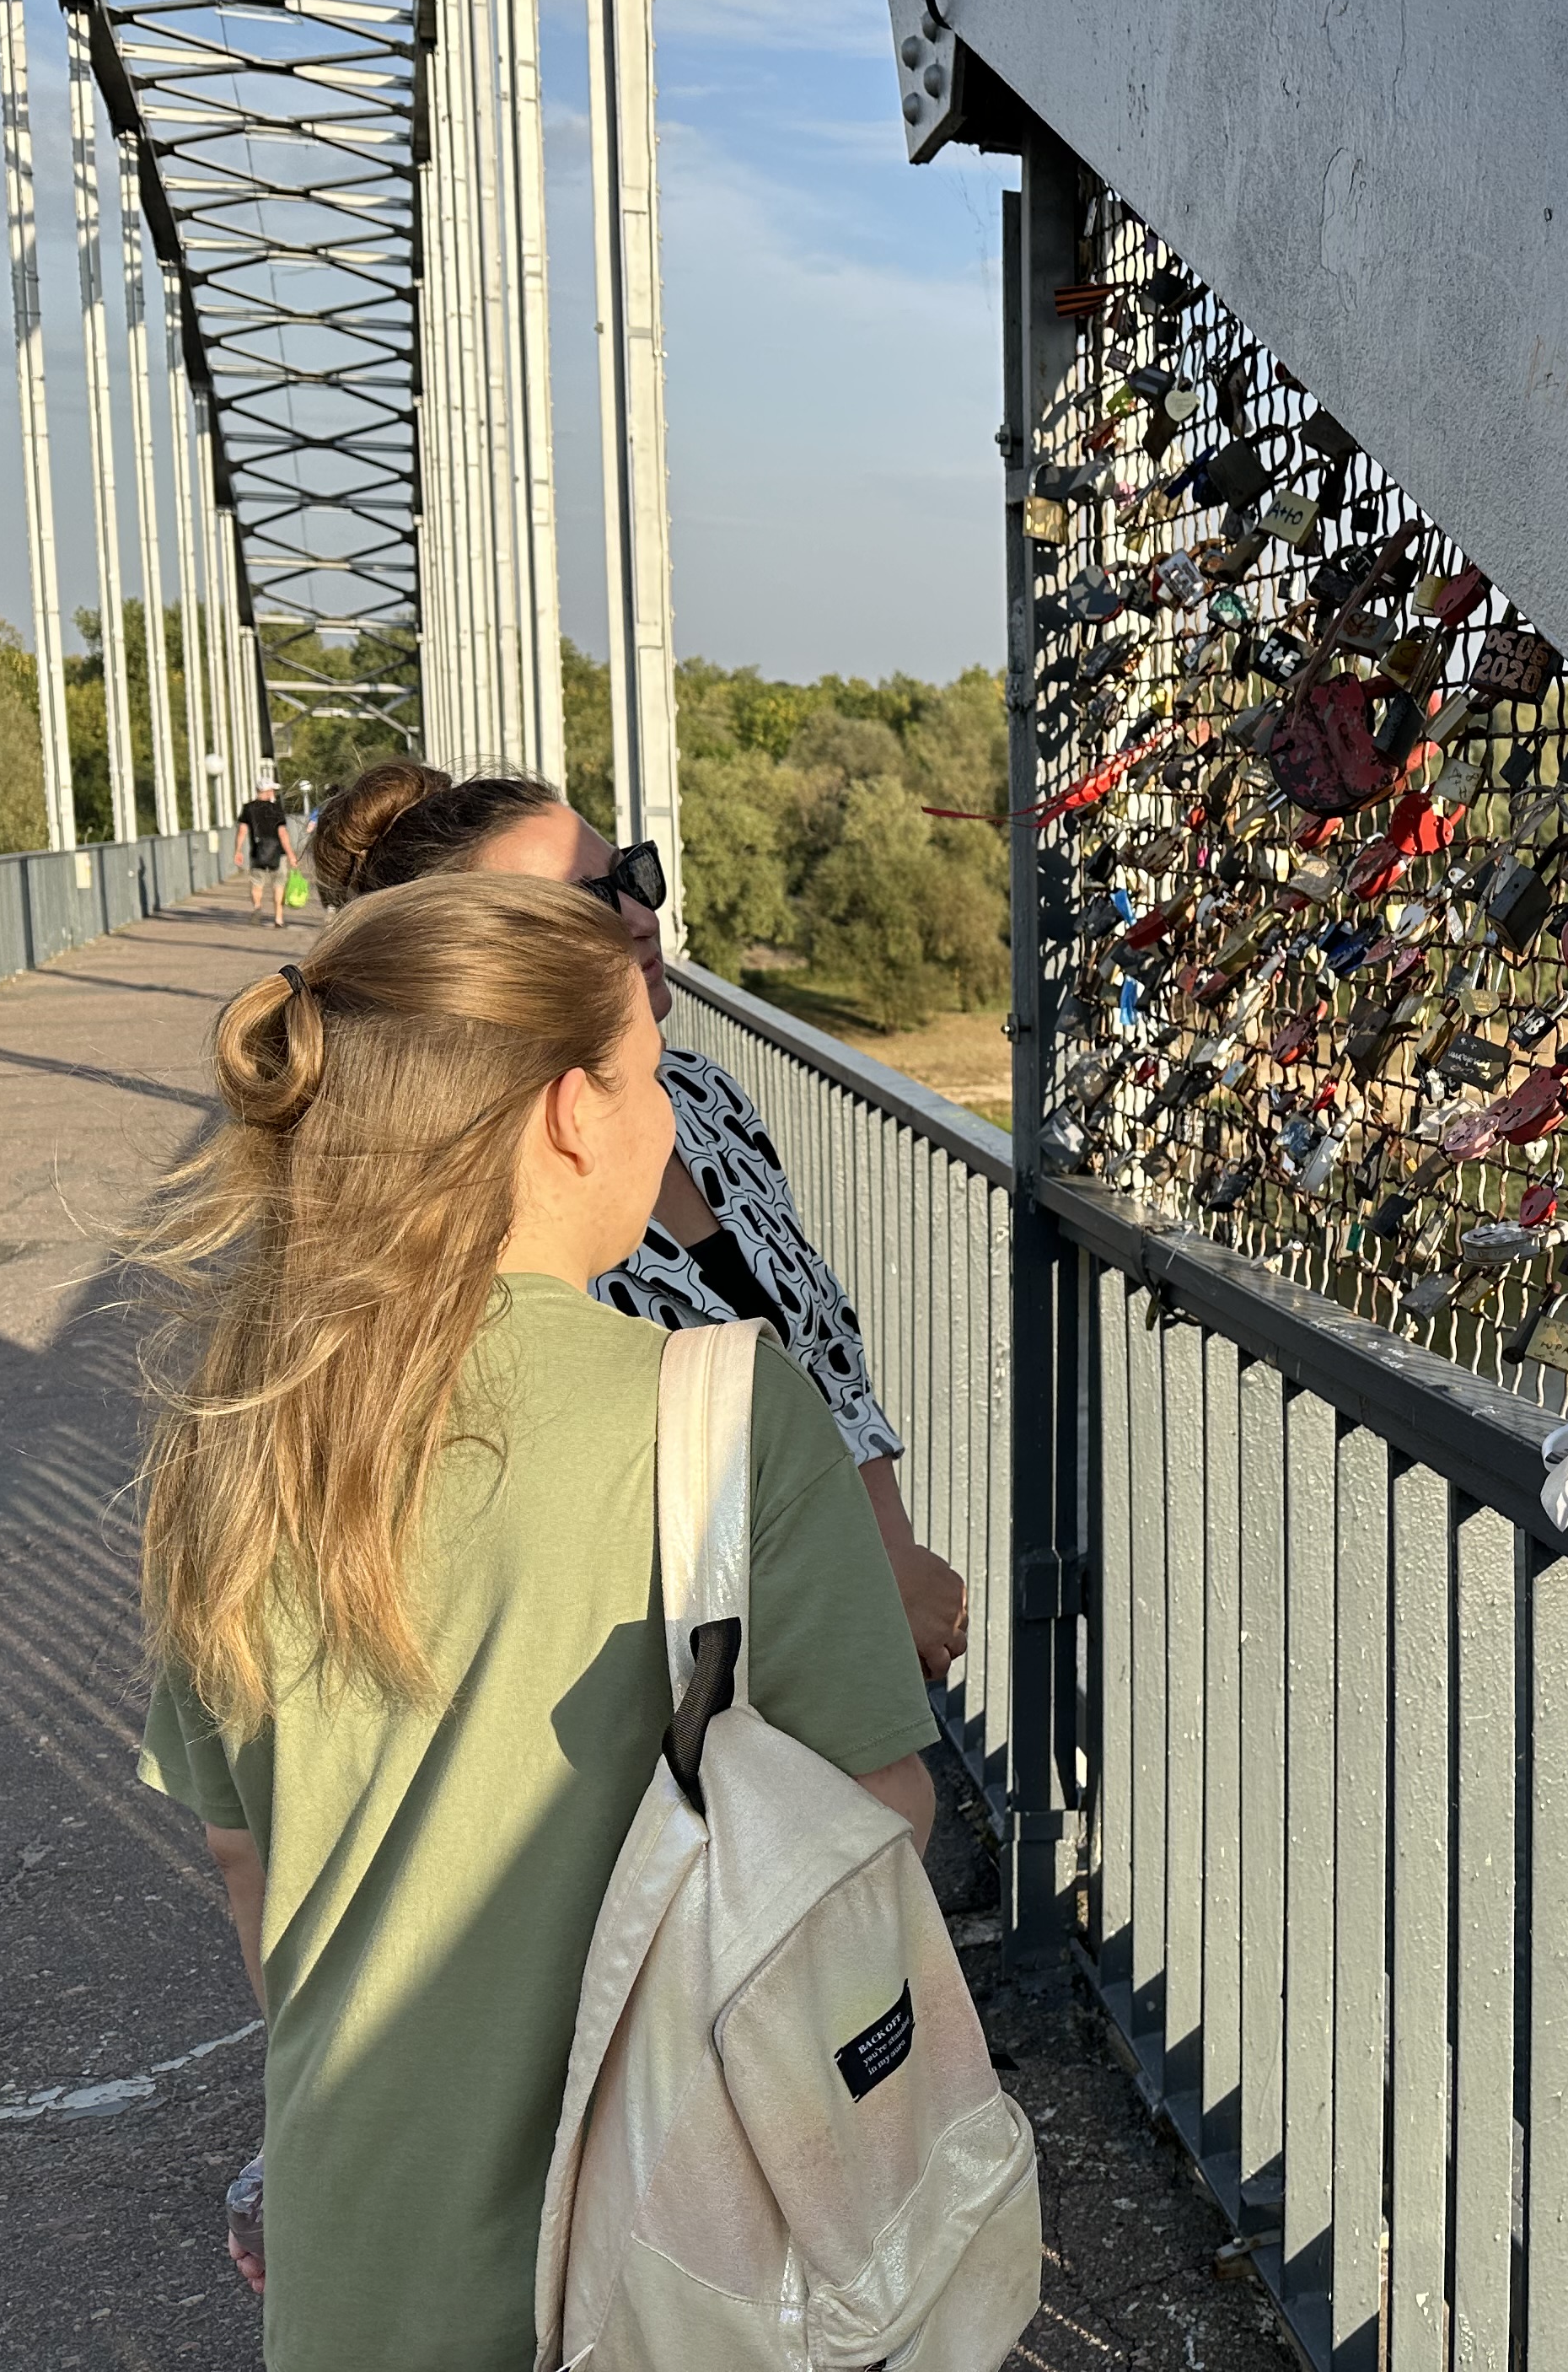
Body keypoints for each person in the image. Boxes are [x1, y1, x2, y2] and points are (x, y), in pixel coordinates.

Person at [128, 874, 937, 2365]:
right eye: (650, 1073)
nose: (669, 1117)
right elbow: (875, 1814)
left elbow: (245, 1853)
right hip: (673, 2254)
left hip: (354, 2243)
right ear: (572, 1112)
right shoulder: (721, 1412)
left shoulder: (233, 1428)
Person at [306, 761, 971, 1679]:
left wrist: (886, 1557)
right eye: (586, 901)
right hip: (679, 1682)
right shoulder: (457, 1202)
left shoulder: (696, 1097)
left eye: (631, 874)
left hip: (834, 1615)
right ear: (475, 960)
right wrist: (847, 1598)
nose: (638, 915)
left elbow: (824, 1352)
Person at [236, 781, 301, 927]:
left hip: (257, 852)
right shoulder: (276, 809)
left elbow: (242, 831)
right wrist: (291, 855)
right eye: (272, 790)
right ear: (267, 791)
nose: (273, 793)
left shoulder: (248, 808)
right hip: (278, 853)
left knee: (257, 883)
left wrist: (238, 851)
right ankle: (278, 919)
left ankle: (257, 907)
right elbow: (282, 833)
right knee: (279, 884)